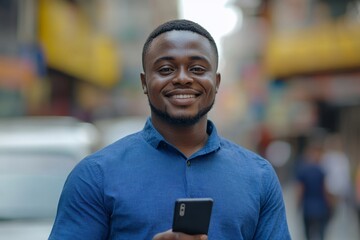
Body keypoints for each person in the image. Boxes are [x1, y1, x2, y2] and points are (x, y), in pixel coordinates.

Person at [48, 19, 290, 240]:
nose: (183, 78)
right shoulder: (94, 176)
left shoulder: (259, 177)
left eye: (197, 69)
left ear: (216, 83)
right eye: (165, 69)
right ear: (145, 83)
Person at [295, 139, 333, 240]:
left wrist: (298, 205)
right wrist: (329, 204)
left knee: (308, 234)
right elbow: (325, 189)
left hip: (308, 207)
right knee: (321, 234)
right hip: (320, 207)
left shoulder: (303, 169)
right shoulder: (321, 170)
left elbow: (300, 190)